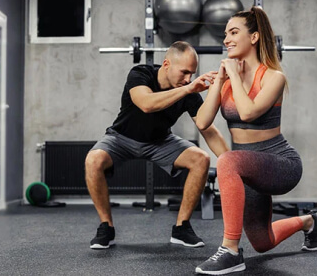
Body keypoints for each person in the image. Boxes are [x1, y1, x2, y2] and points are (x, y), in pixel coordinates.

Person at [194, 7, 317, 274]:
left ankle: (230, 250)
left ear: (254, 38)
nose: (226, 40)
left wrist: (232, 76)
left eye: (233, 32)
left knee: (227, 160)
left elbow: (249, 111)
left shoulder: (274, 77)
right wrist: (220, 81)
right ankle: (310, 222)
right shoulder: (227, 80)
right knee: (263, 242)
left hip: (281, 164)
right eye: (225, 34)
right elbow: (202, 122)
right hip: (246, 166)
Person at [85, 41, 229, 250]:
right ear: (166, 64)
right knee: (93, 159)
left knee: (201, 159)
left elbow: (208, 130)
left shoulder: (187, 90)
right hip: (121, 138)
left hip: (160, 141)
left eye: (192, 74)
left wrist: (232, 163)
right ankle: (106, 226)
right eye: (184, 72)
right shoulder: (140, 74)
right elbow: (146, 104)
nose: (188, 78)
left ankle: (181, 228)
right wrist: (189, 88)